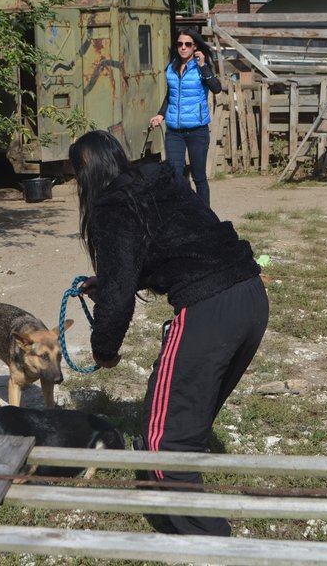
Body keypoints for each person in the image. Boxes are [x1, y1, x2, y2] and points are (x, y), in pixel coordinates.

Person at [70, 130, 269, 537]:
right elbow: (178, 245)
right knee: (182, 417)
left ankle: (213, 543)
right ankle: (166, 507)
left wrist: (104, 351)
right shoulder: (158, 180)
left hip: (209, 309)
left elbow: (119, 299)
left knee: (167, 443)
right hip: (250, 295)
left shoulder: (111, 206)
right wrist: (108, 280)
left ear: (84, 176)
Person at [148, 28, 222, 207]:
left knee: (199, 177)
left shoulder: (201, 68)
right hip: (175, 131)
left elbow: (216, 88)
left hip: (197, 131)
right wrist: (160, 114)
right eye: (180, 44)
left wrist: (203, 66)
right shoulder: (172, 67)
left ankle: (205, 217)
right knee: (176, 175)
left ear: (195, 46)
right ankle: (181, 214)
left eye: (187, 44)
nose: (183, 47)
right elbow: (171, 95)